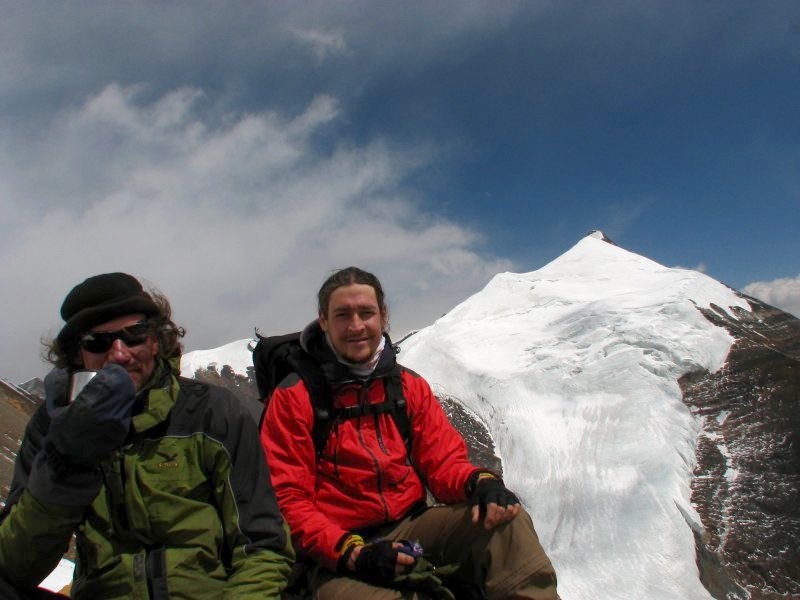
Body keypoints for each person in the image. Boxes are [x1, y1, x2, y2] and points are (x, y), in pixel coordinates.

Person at [260, 267, 557, 599]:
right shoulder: (295, 397)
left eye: (366, 313)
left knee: (508, 524)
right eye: (343, 315)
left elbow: (443, 463)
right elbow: (288, 500)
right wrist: (355, 553)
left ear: (383, 316)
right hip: (335, 551)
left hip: (411, 528)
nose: (356, 326)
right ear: (324, 321)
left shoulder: (407, 386)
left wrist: (482, 482)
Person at [0, 272, 294, 599]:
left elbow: (262, 544)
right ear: (78, 353)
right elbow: (14, 565)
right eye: (97, 342)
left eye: (135, 335)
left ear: (156, 340)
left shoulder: (210, 412)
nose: (119, 353)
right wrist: (67, 463)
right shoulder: (54, 427)